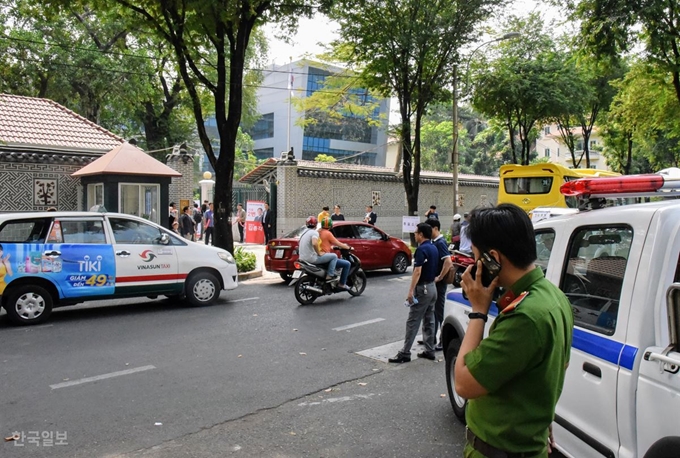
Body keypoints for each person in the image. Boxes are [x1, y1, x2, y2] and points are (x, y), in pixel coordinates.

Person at [454, 204, 573, 458]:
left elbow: (463, 384)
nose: (474, 266)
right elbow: (547, 372)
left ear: (493, 259)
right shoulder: (554, 297)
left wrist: (478, 311)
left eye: (476, 257)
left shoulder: (524, 317)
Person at [388, 223, 439, 363]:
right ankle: (430, 350)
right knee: (429, 319)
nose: (415, 235)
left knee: (413, 320)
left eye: (416, 233)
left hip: (423, 289)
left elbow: (417, 271)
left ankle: (405, 352)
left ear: (421, 234)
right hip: (432, 288)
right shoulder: (434, 248)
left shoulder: (421, 249)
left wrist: (411, 291)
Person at [425, 218, 452, 351]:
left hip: (439, 284)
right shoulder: (434, 242)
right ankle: (432, 338)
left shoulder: (440, 242)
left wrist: (440, 277)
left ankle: (443, 339)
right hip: (434, 281)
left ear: (435, 228)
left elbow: (448, 261)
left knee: (439, 312)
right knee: (433, 311)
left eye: (429, 229)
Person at [298, 216, 340, 281]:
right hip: (312, 258)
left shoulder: (304, 233)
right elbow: (314, 243)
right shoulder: (314, 232)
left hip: (302, 258)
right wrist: (319, 253)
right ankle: (330, 275)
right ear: (316, 224)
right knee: (334, 256)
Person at [318, 216, 352, 291]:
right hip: (325, 257)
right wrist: (348, 247)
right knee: (347, 264)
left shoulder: (318, 232)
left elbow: (323, 243)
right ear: (330, 225)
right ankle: (342, 284)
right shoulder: (328, 233)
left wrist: (331, 247)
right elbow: (338, 243)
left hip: (318, 256)